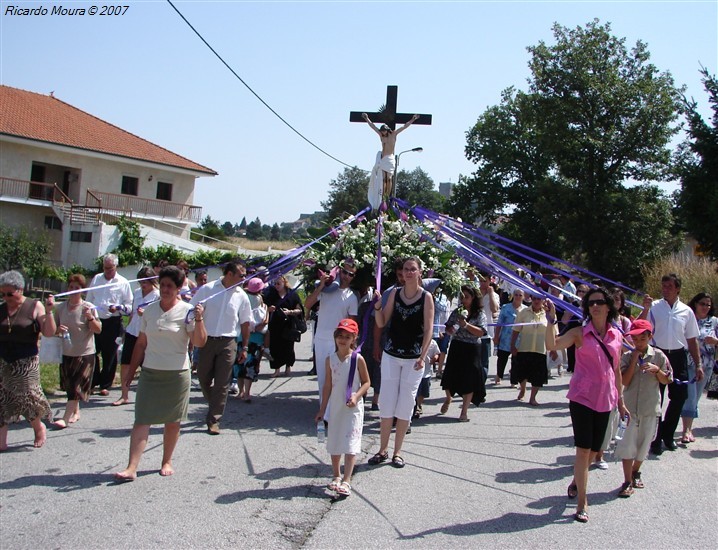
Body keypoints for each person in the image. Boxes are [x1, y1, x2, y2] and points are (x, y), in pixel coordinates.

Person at [545, 287, 629, 523]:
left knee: (594, 451)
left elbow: (616, 371)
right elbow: (552, 345)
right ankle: (582, 502)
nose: (595, 306)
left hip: (606, 398)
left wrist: (621, 402)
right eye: (591, 303)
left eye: (600, 302)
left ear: (609, 306)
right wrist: (550, 320)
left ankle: (575, 481)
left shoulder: (616, 335)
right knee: (583, 450)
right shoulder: (579, 333)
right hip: (582, 397)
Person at [114, 266, 207, 481]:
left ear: (178, 289)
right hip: (150, 372)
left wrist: (200, 319)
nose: (165, 289)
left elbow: (199, 342)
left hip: (177, 374)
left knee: (172, 421)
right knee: (142, 419)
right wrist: (129, 374)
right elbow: (141, 343)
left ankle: (167, 460)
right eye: (163, 285)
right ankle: (131, 467)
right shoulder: (149, 310)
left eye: (170, 286)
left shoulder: (188, 311)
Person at [369, 257, 434, 468]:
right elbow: (382, 321)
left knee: (406, 403)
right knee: (386, 401)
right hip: (391, 354)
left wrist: (423, 356)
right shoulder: (395, 293)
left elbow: (429, 329)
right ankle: (382, 450)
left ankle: (397, 452)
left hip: (413, 359)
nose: (408, 273)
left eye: (412, 269)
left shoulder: (426, 297)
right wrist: (378, 307)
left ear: (420, 272)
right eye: (405, 269)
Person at [639, 273, 702, 454]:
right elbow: (642, 328)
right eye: (663, 286)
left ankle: (668, 434)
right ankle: (655, 438)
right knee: (656, 398)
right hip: (658, 355)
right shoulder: (654, 307)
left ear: (677, 289)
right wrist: (645, 308)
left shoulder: (686, 311)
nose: (665, 289)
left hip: (678, 357)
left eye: (669, 286)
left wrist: (698, 364)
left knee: (679, 397)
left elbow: (691, 339)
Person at [190, 260, 251, 435]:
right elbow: (192, 308)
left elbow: (245, 323)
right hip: (207, 340)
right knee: (203, 377)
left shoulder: (241, 296)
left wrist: (244, 347)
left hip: (228, 342)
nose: (244, 278)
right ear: (229, 274)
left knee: (222, 383)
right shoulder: (207, 289)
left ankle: (214, 419)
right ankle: (214, 405)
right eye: (241, 275)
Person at [614, 319, 672, 497]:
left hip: (649, 407)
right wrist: (633, 361)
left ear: (649, 337)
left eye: (642, 339)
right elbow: (624, 381)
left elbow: (667, 379)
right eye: (635, 339)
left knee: (644, 444)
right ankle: (626, 480)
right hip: (630, 408)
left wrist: (657, 371)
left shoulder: (659, 356)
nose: (638, 343)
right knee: (627, 444)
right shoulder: (626, 356)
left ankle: (635, 470)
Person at [0, 271, 57, 450]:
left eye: (10, 293)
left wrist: (49, 313)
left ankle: (38, 427)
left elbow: (49, 332)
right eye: (3, 294)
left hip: (26, 360)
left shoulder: (34, 306)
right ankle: (1, 440)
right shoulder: (1, 308)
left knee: (28, 398)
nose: (6, 297)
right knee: (2, 399)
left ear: (20, 289)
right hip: (3, 359)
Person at [315, 319, 371, 497]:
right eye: (340, 336)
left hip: (353, 409)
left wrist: (356, 395)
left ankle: (347, 480)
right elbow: (328, 385)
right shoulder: (330, 360)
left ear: (354, 339)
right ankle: (336, 475)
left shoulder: (357, 359)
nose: (343, 339)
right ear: (335, 337)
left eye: (347, 337)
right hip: (336, 407)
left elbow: (366, 382)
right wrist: (322, 409)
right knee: (335, 441)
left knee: (350, 443)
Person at [305, 259, 358, 413]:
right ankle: (324, 413)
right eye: (345, 272)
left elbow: (352, 323)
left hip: (339, 342)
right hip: (321, 339)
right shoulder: (326, 291)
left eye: (351, 274)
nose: (347, 276)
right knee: (322, 378)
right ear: (339, 271)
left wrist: (351, 344)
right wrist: (321, 286)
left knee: (337, 378)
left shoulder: (351, 297)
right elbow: (308, 304)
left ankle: (335, 412)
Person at [52, 274, 102, 427]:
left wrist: (90, 318)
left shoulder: (88, 307)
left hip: (85, 353)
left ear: (83, 290)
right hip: (67, 353)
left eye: (77, 288)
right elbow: (53, 330)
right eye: (71, 287)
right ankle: (76, 411)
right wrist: (58, 330)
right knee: (70, 386)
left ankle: (65, 418)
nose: (73, 290)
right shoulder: (60, 308)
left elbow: (98, 330)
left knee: (76, 387)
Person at [85, 253, 133, 397]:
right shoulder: (97, 279)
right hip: (97, 320)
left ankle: (105, 384)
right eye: (105, 268)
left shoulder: (123, 282)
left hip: (113, 321)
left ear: (116, 267)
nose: (107, 271)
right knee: (92, 352)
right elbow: (89, 298)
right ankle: (93, 382)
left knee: (110, 354)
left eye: (110, 268)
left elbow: (129, 306)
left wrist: (118, 307)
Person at [440, 285, 487, 421]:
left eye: (467, 297)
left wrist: (465, 325)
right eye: (462, 297)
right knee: (450, 376)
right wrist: (449, 330)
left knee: (469, 380)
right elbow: (448, 325)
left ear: (473, 298)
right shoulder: (457, 311)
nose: (464, 299)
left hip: (472, 348)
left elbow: (481, 332)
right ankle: (448, 398)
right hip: (457, 346)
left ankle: (464, 412)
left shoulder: (479, 314)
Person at [113, 267, 159, 406]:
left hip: (146, 333)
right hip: (132, 331)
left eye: (146, 281)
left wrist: (145, 314)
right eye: (141, 282)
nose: (143, 285)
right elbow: (132, 312)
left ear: (152, 281)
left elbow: (158, 315)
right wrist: (127, 329)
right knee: (125, 362)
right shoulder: (137, 292)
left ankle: (148, 396)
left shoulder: (157, 295)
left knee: (146, 365)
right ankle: (124, 395)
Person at [680, 292, 717, 443]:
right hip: (688, 363)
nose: (705, 307)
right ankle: (686, 430)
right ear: (695, 303)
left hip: (707, 365)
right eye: (702, 304)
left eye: (708, 305)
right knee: (690, 395)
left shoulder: (714, 321)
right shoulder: (688, 318)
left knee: (696, 396)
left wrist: (715, 341)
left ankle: (688, 427)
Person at [362, 112, 420, 202]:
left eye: (384, 131)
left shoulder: (393, 134)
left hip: (390, 159)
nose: (383, 132)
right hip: (382, 159)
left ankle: (387, 196)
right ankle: (382, 197)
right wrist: (367, 118)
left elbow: (404, 126)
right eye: (382, 131)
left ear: (387, 130)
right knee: (383, 179)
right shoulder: (381, 136)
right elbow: (373, 126)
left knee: (389, 178)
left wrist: (413, 119)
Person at [231, 277, 268, 400]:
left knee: (239, 364)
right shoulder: (261, 302)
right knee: (250, 365)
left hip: (242, 336)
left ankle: (240, 392)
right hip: (256, 338)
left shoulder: (242, 299)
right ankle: (247, 393)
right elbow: (264, 321)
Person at [511, 293, 549, 406]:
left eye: (539, 299)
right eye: (535, 299)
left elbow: (553, 332)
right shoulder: (523, 312)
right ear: (531, 299)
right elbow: (516, 329)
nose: (537, 301)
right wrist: (512, 345)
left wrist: (554, 350)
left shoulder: (548, 314)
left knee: (538, 376)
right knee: (522, 373)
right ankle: (523, 389)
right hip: (524, 348)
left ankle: (533, 398)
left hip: (540, 349)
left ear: (543, 300)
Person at [266, 276, 303, 378]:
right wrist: (269, 309)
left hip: (288, 325)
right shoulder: (271, 295)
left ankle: (288, 367)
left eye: (279, 283)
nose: (276, 286)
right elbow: (263, 307)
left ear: (284, 283)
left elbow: (299, 310)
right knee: (274, 347)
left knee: (288, 347)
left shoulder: (292, 294)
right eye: (275, 284)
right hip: (275, 324)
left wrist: (290, 312)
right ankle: (276, 369)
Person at [494, 288, 526, 385]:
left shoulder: (525, 310)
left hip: (519, 339)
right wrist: (496, 336)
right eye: (516, 294)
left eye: (520, 295)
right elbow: (499, 323)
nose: (518, 297)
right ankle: (499, 375)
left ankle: (514, 381)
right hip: (505, 338)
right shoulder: (505, 307)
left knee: (516, 361)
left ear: (523, 297)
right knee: (502, 359)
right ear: (513, 296)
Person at [479, 275, 499, 379]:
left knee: (484, 361)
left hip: (486, 332)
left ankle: (481, 383)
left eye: (485, 281)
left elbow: (494, 310)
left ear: (489, 281)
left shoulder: (494, 295)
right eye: (481, 281)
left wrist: (490, 294)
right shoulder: (475, 293)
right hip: (474, 329)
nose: (482, 283)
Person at [414, 338, 439, 419]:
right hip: (416, 371)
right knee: (417, 390)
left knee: (424, 392)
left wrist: (435, 358)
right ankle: (416, 406)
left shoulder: (433, 343)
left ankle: (419, 404)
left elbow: (437, 353)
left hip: (427, 373)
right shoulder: (417, 342)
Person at [432, 288, 451, 379]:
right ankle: (431, 368)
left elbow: (446, 313)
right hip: (437, 328)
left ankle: (439, 370)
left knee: (443, 350)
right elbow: (441, 309)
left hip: (445, 328)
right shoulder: (437, 298)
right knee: (434, 349)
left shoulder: (446, 299)